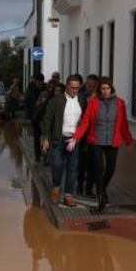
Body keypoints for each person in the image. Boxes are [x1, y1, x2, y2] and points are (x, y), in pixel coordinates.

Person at [67, 77, 133, 211]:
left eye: (108, 88)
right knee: (98, 169)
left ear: (112, 89)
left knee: (110, 169)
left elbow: (123, 124)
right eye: (103, 89)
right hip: (96, 141)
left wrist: (129, 140)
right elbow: (85, 122)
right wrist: (76, 138)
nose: (105, 91)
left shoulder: (120, 103)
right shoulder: (93, 103)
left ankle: (102, 188)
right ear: (99, 90)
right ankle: (101, 196)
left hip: (113, 141)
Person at [41, 75, 86, 207]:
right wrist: (46, 138)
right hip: (58, 138)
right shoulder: (57, 101)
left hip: (74, 139)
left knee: (72, 168)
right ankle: (56, 188)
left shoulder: (82, 100)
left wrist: (78, 137)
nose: (74, 90)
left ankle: (68, 195)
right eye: (72, 87)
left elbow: (85, 120)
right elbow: (47, 119)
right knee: (57, 164)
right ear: (66, 86)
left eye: (77, 88)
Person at [77, 74, 100, 198]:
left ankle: (89, 188)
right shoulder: (80, 96)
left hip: (95, 135)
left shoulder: (99, 98)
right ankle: (80, 185)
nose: (90, 87)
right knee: (82, 162)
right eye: (89, 84)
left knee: (93, 163)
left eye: (93, 85)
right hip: (82, 134)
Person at [25, 73, 45, 162]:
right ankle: (37, 155)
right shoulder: (30, 89)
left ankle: (44, 154)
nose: (39, 84)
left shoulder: (45, 88)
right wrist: (28, 117)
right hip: (35, 116)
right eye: (38, 82)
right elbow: (27, 104)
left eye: (40, 82)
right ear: (35, 81)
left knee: (45, 137)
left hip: (44, 117)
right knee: (36, 137)